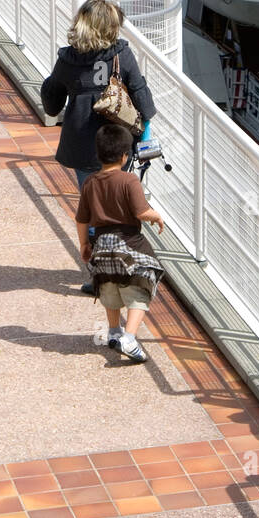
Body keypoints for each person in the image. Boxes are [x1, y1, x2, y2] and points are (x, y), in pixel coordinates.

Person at [40, 0, 156, 294]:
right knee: (120, 198)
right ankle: (125, 260)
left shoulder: (68, 59)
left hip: (82, 145)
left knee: (92, 207)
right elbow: (139, 90)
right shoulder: (120, 54)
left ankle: (100, 276)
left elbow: (53, 102)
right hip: (117, 141)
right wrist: (146, 133)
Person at [76, 120, 165, 364]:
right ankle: (130, 336)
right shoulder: (129, 181)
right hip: (128, 243)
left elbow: (82, 220)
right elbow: (140, 212)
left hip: (101, 245)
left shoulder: (90, 183)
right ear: (125, 156)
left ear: (98, 154)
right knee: (143, 279)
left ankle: (113, 331)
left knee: (108, 285)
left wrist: (84, 245)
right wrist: (155, 215)